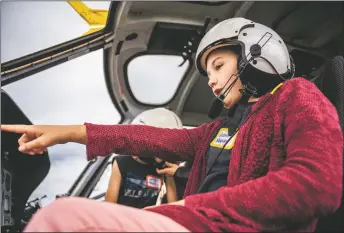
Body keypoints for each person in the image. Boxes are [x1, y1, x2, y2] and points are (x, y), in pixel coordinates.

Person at [1, 17, 342, 232]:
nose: (211, 81)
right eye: (208, 74)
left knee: (63, 219)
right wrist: (73, 133)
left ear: (255, 53)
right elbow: (150, 139)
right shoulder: (218, 130)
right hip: (189, 221)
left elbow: (316, 183)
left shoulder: (295, 95)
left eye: (219, 66)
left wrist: (186, 208)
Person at [105, 108, 182, 208]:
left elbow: (173, 205)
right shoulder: (122, 162)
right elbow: (110, 203)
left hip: (145, 218)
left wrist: (170, 177)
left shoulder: (162, 167)